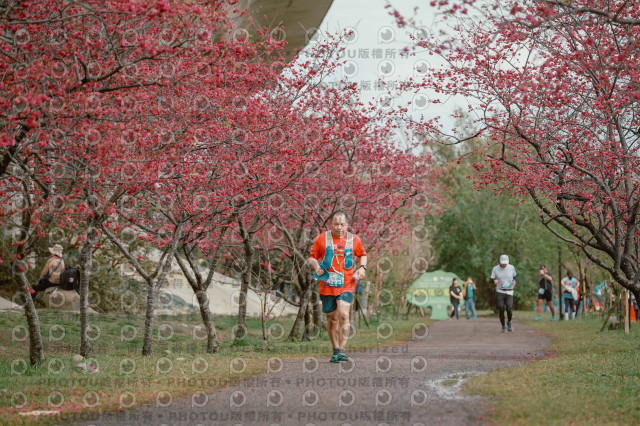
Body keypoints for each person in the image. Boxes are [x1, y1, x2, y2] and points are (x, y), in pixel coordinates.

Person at [308, 212, 367, 363]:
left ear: (347, 225)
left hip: (347, 284)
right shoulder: (322, 238)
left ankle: (342, 350)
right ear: (331, 224)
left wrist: (362, 268)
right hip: (327, 284)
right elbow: (312, 256)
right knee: (332, 318)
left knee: (344, 315)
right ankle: (335, 350)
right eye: (336, 224)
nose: (339, 227)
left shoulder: (354, 239)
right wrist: (316, 266)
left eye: (342, 224)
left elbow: (362, 254)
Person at [491, 254, 517, 332]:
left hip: (509, 291)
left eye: (505, 263)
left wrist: (514, 281)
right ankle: (503, 326)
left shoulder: (511, 267)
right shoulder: (495, 269)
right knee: (501, 308)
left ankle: (509, 322)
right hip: (500, 291)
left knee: (509, 308)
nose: (504, 264)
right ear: (500, 261)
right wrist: (494, 281)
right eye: (503, 263)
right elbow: (492, 278)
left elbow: (515, 276)